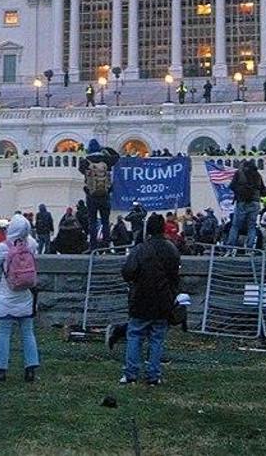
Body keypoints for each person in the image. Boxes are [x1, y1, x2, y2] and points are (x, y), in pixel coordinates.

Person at [119, 213, 180, 385]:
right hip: (163, 301)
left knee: (135, 336)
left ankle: (130, 373)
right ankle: (154, 375)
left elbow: (127, 272)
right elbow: (175, 276)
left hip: (140, 299)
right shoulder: (172, 249)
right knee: (157, 338)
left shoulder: (140, 249)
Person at [0, 213, 40, 382]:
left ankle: (1, 369)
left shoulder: (4, 247)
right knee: (27, 333)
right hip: (25, 295)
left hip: (6, 294)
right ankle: (31, 368)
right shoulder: (31, 244)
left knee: (3, 333)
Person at [79, 141, 117, 249]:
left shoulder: (86, 161)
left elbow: (81, 170)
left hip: (91, 196)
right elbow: (116, 156)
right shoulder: (106, 160)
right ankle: (106, 245)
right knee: (105, 221)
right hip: (105, 195)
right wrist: (106, 148)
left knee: (92, 222)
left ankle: (93, 245)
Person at [226, 159, 265, 249]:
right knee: (251, 226)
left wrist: (239, 192)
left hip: (242, 202)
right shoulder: (258, 175)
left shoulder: (239, 173)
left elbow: (231, 186)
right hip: (255, 202)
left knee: (236, 226)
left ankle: (230, 246)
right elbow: (263, 190)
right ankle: (250, 247)